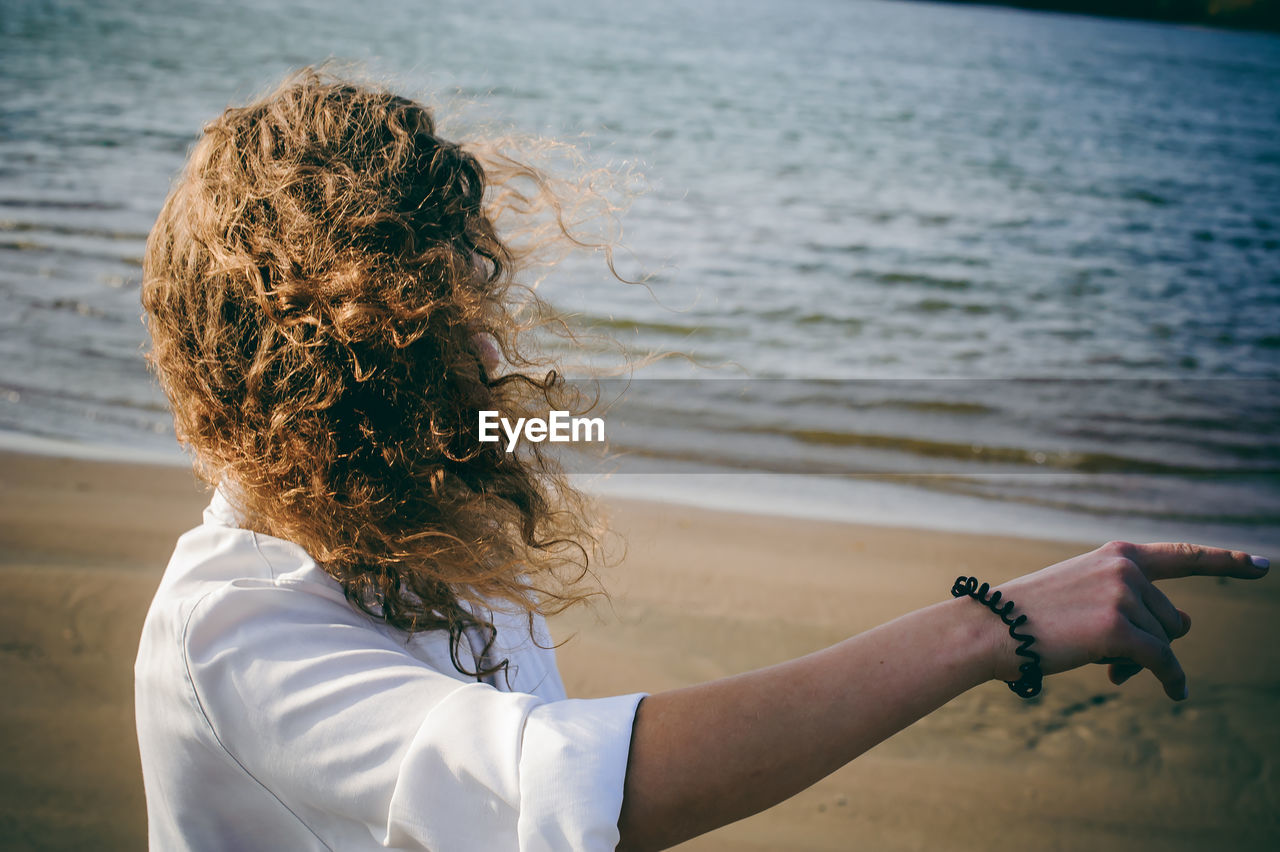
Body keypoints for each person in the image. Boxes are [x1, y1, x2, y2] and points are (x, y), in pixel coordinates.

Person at [134, 69, 1270, 852]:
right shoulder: (234, 627)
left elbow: (554, 432)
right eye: (426, 331)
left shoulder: (400, 498)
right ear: (316, 393)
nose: (485, 344)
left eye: (468, 294)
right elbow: (567, 787)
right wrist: (991, 624)